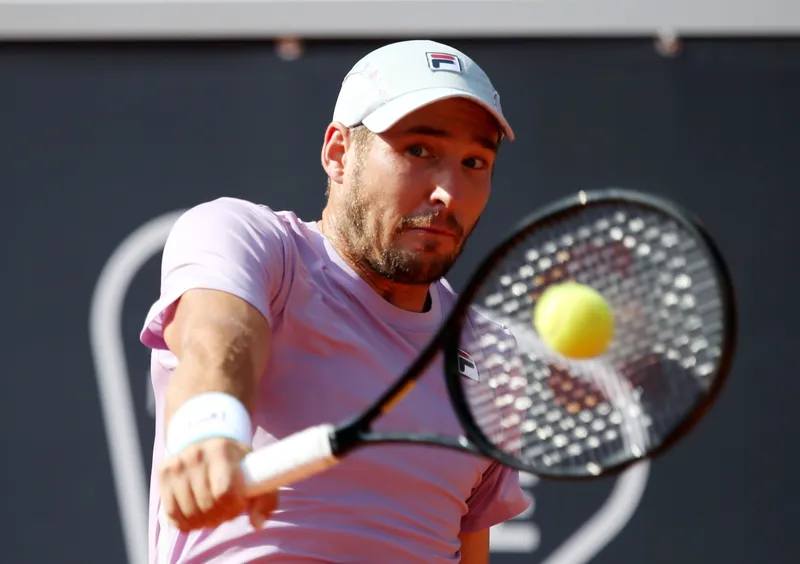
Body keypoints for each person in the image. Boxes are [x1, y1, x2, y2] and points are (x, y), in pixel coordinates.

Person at [140, 39, 531, 564]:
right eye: (419, 151)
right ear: (339, 154)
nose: (448, 193)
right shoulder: (252, 240)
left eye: (475, 161)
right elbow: (220, 333)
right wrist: (212, 425)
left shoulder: (491, 355)